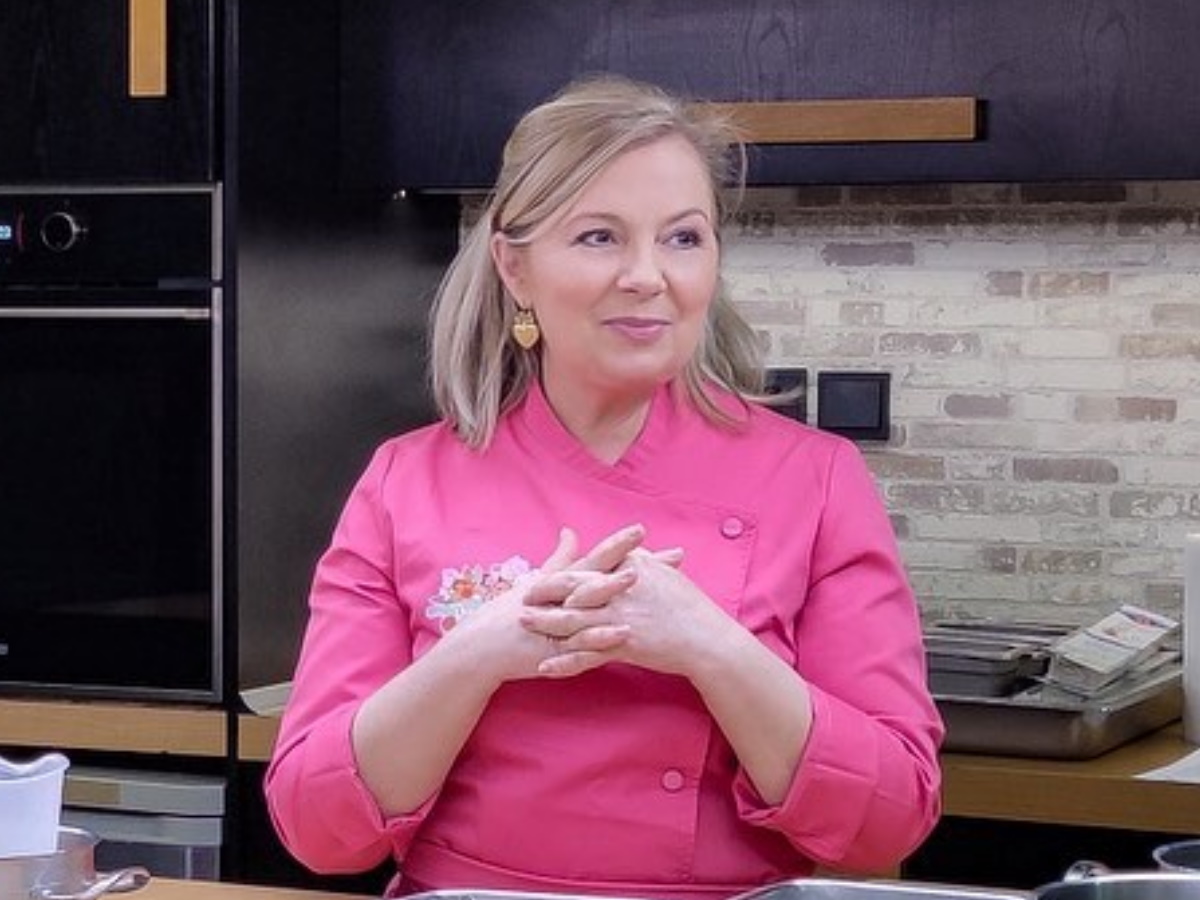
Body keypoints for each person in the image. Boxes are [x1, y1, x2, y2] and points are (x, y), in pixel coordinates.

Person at [264, 74, 944, 900]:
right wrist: (476, 654)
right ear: (515, 267)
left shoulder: (814, 479)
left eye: (683, 238)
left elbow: (888, 823)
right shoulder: (406, 483)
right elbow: (316, 829)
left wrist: (710, 647)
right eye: (598, 237)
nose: (647, 275)